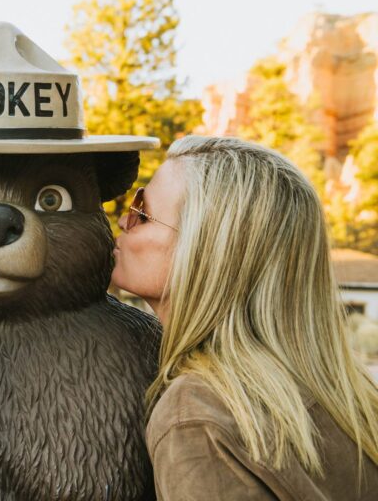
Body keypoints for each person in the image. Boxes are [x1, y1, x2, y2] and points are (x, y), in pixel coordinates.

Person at [113, 135, 378, 499]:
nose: (124, 222)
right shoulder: (350, 397)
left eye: (142, 212)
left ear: (206, 251)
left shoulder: (198, 415)